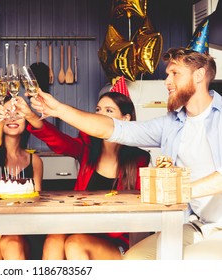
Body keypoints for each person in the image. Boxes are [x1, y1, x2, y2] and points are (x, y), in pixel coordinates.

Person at [29, 47, 222, 260]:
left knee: (190, 265)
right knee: (133, 261)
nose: (167, 81)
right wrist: (58, 109)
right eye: (167, 74)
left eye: (175, 73)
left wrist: (176, 190)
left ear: (199, 75)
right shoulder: (172, 123)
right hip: (194, 224)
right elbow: (115, 129)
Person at [16, 91, 151, 260]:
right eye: (98, 110)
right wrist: (30, 115)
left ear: (126, 119)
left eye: (109, 111)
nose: (100, 115)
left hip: (118, 243)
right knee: (54, 239)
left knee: (74, 243)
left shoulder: (140, 159)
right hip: (82, 228)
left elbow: (143, 217)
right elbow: (58, 140)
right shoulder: (87, 148)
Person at [0, 100, 43, 260]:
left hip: (21, 227)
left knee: (13, 245)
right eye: (7, 114)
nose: (12, 118)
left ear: (26, 119)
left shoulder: (35, 161)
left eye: (17, 113)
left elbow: (37, 203)